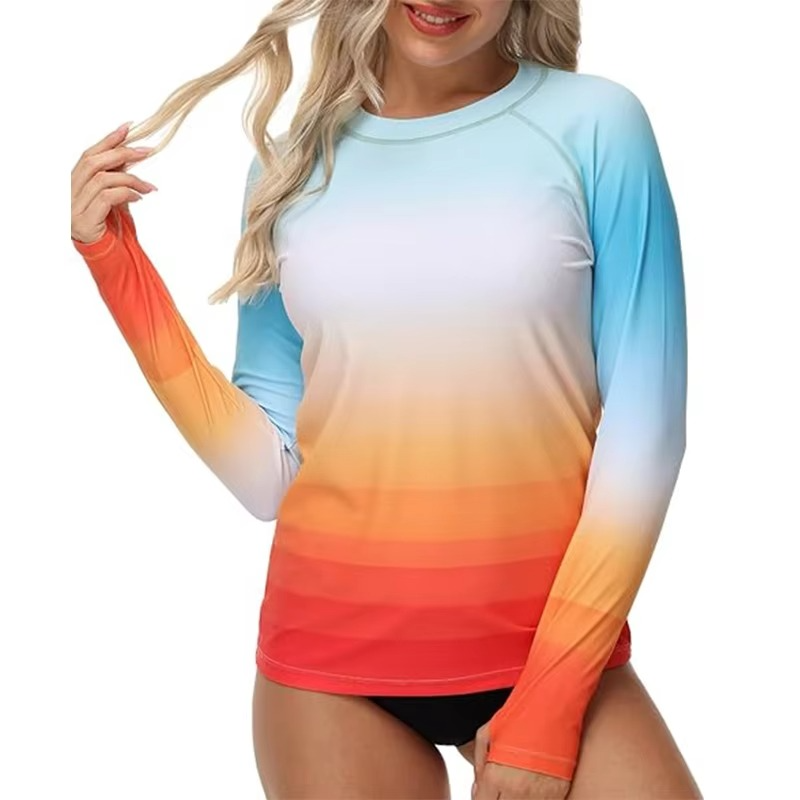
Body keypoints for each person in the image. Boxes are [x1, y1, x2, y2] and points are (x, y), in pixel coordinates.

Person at [69, 1, 702, 797]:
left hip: (550, 648)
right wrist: (120, 271)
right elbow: (268, 476)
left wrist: (549, 706)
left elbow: (646, 434)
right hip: (329, 671)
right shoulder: (288, 170)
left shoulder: (596, 125)